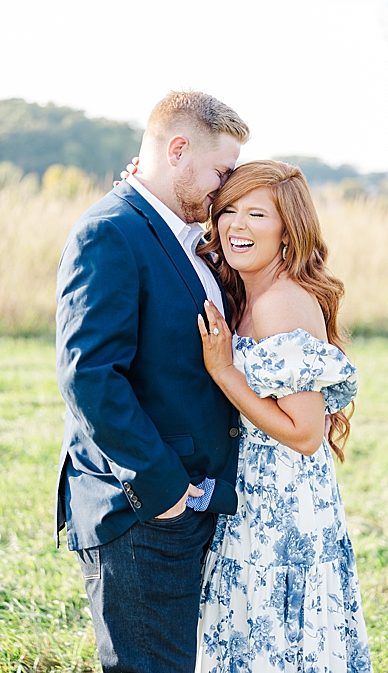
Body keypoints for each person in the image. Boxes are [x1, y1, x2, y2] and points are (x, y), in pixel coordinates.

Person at [55, 90, 250, 672]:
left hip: (186, 502)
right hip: (141, 507)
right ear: (178, 149)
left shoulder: (181, 235)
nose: (226, 185)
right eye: (221, 171)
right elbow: (89, 375)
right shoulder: (110, 232)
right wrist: (161, 488)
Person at [191, 160, 371, 672]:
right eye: (228, 211)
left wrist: (226, 373)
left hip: (282, 506)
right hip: (253, 497)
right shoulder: (248, 295)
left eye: (257, 214)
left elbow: (307, 433)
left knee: (276, 641)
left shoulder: (282, 304)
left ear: (287, 231)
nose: (236, 226)